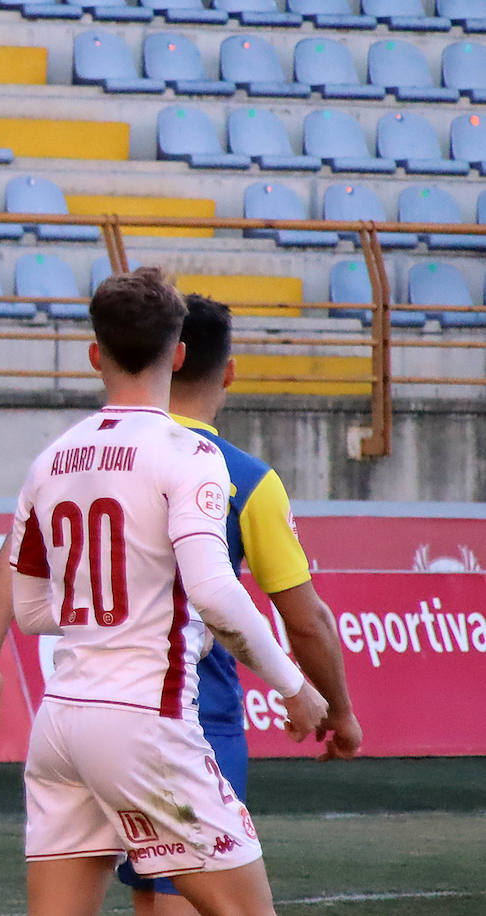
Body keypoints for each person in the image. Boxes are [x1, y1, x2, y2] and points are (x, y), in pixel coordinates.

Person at [0, 268, 328, 915]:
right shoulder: (187, 455)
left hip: (62, 723)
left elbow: (31, 606)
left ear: (95, 355)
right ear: (178, 353)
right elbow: (215, 592)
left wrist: (104, 616)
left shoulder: (54, 459)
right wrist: (293, 688)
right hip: (144, 724)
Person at [113, 294, 362, 915]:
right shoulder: (242, 478)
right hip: (192, 714)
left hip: (98, 706)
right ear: (227, 371)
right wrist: (339, 709)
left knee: (153, 895)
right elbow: (306, 621)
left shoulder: (99, 455)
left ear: (165, 358)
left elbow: (16, 560)